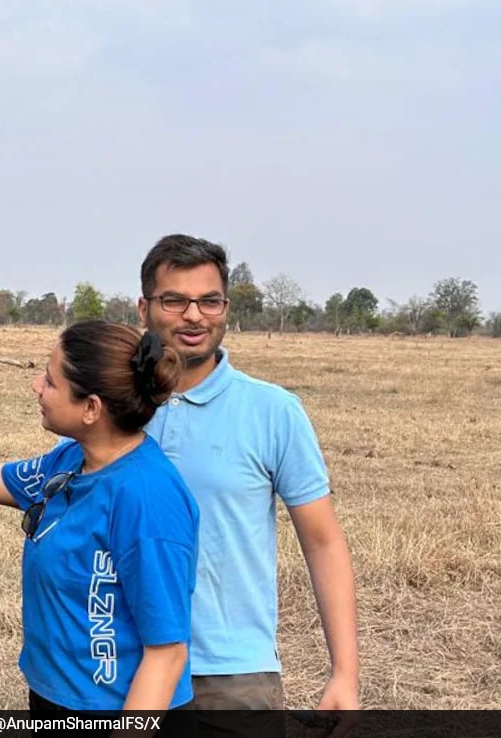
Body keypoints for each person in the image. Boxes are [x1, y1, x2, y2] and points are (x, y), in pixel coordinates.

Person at [0, 320, 200, 734]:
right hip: (57, 699)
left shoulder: (148, 500)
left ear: (91, 408)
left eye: (50, 381)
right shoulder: (69, 461)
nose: (35, 386)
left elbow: (167, 652)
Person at [136, 234, 360, 738]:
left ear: (225, 308)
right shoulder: (117, 404)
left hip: (231, 673)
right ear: (145, 308)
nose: (194, 316)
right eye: (175, 300)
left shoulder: (273, 411)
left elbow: (322, 540)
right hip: (123, 660)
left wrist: (345, 672)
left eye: (209, 300)